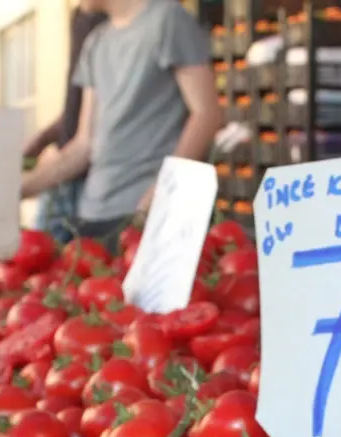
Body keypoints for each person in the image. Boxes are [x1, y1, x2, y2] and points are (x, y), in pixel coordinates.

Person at [20, 0, 223, 254]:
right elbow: (83, 146)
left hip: (146, 215)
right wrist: (20, 187)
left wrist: (161, 193)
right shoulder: (96, 43)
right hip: (91, 215)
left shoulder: (168, 20)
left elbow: (206, 114)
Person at [23, 2, 107, 245]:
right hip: (64, 170)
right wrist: (44, 138)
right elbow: (78, 105)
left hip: (94, 180)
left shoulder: (119, 23)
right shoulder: (80, 17)